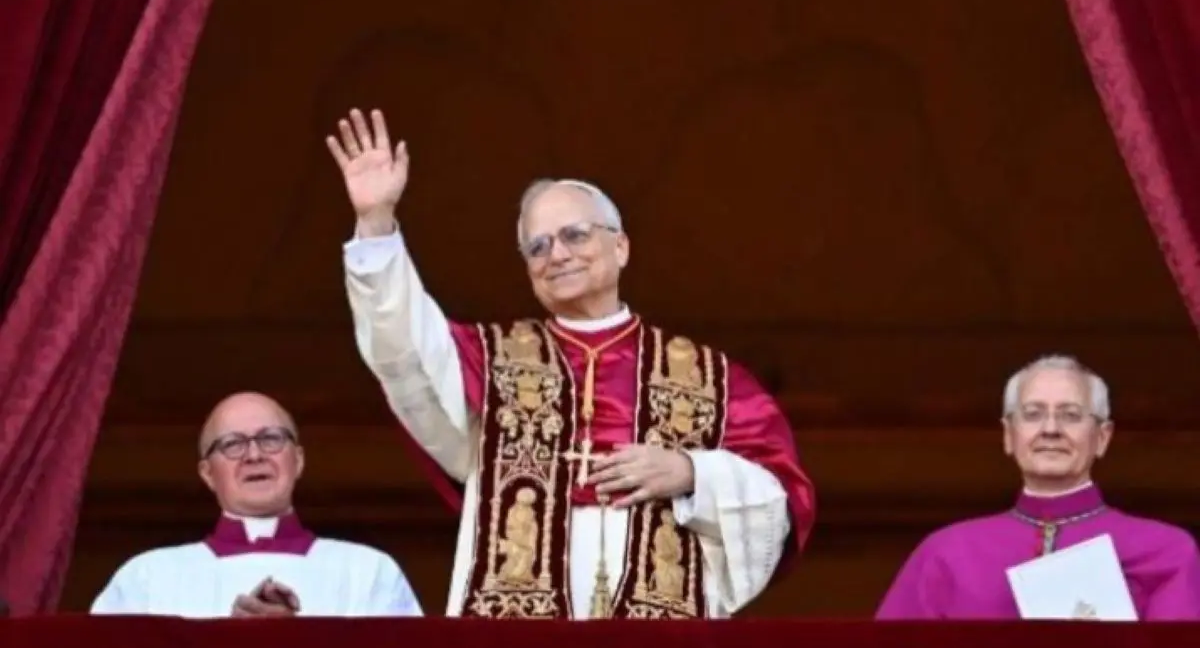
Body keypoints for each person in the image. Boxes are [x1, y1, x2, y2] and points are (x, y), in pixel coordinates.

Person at [328, 108, 817, 620]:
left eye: (575, 235)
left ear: (621, 246)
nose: (556, 254)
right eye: (537, 246)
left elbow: (780, 500)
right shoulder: (488, 361)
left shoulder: (711, 379)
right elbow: (402, 348)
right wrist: (375, 222)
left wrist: (692, 471)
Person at [876, 355, 1200, 620]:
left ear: (1102, 437)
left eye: (1070, 415)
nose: (1050, 429)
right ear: (1008, 434)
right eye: (1032, 414)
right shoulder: (945, 554)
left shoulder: (1165, 551)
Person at [90, 392, 423, 618]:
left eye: (271, 439)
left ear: (299, 460)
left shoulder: (369, 572)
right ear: (207, 473)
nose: (254, 455)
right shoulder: (146, 578)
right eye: (232, 444)